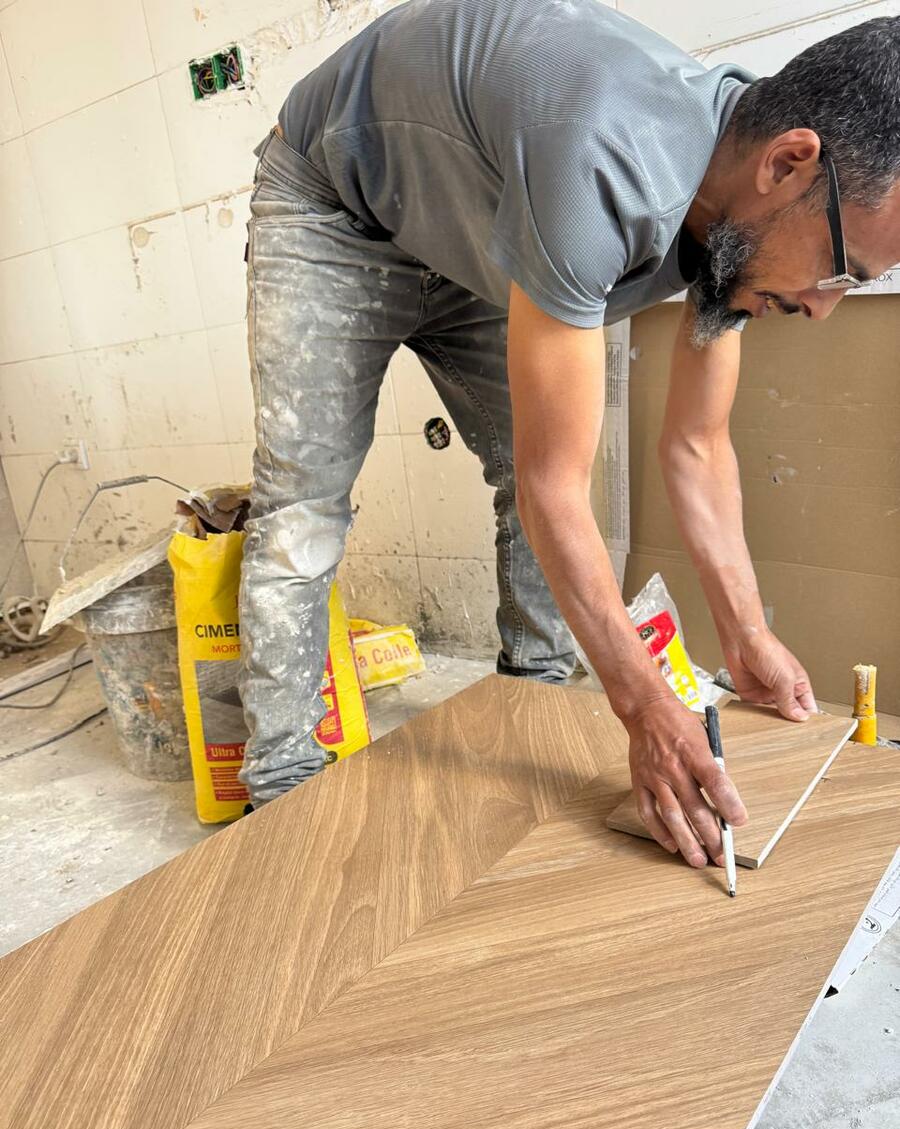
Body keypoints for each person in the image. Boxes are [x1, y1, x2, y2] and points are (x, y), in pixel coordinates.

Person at [238, 0, 900, 871]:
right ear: (788, 163)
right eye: (840, 271)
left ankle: (533, 703)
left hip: (473, 222)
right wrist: (643, 705)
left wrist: (745, 637)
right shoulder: (607, 165)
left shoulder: (740, 208)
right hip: (333, 203)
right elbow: (557, 487)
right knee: (306, 505)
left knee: (528, 467)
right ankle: (279, 791)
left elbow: (697, 447)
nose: (822, 308)